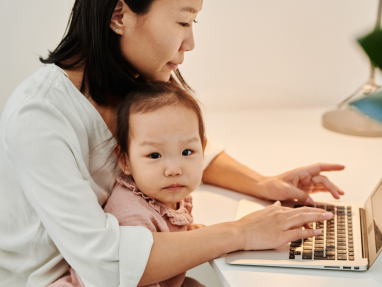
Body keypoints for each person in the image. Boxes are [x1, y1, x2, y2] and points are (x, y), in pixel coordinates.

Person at [0, 0, 343, 286]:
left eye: (193, 21)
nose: (190, 42)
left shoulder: (130, 79)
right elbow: (104, 262)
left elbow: (180, 148)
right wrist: (241, 231)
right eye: (182, 21)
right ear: (119, 16)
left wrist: (264, 183)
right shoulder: (39, 117)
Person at [49, 81, 209, 287]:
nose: (174, 169)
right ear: (124, 160)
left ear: (203, 149)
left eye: (187, 152)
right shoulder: (133, 215)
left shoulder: (170, 192)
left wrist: (186, 236)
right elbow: (133, 275)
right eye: (154, 155)